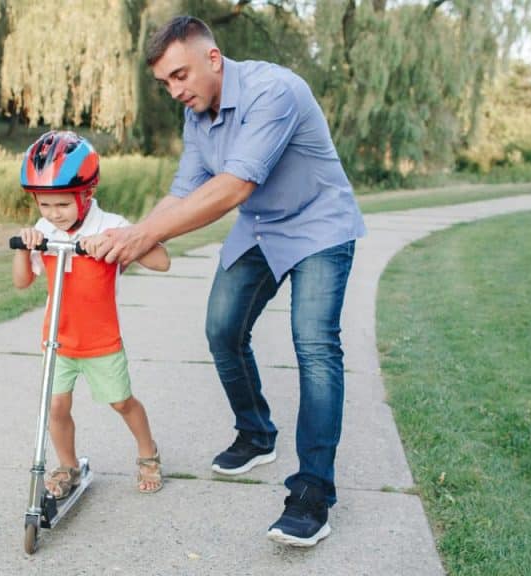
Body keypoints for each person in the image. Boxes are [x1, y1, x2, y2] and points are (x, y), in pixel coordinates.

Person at [87, 16, 366, 547]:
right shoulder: (198, 117)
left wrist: (140, 235)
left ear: (212, 58)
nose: (175, 91)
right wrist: (130, 239)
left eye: (180, 75)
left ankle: (312, 493)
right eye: (166, 83)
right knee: (222, 329)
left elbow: (233, 187)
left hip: (318, 227)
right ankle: (257, 432)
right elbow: (185, 192)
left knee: (315, 346)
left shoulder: (274, 91)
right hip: (261, 228)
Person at [12, 130, 171, 497]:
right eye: (45, 206)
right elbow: (22, 282)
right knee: (55, 406)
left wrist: (117, 241)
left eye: (62, 205)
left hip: (100, 340)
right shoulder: (43, 229)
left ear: (87, 195)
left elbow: (162, 261)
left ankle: (148, 452)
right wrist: (23, 246)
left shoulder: (110, 224)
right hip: (57, 339)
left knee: (121, 402)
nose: (54, 215)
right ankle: (67, 465)